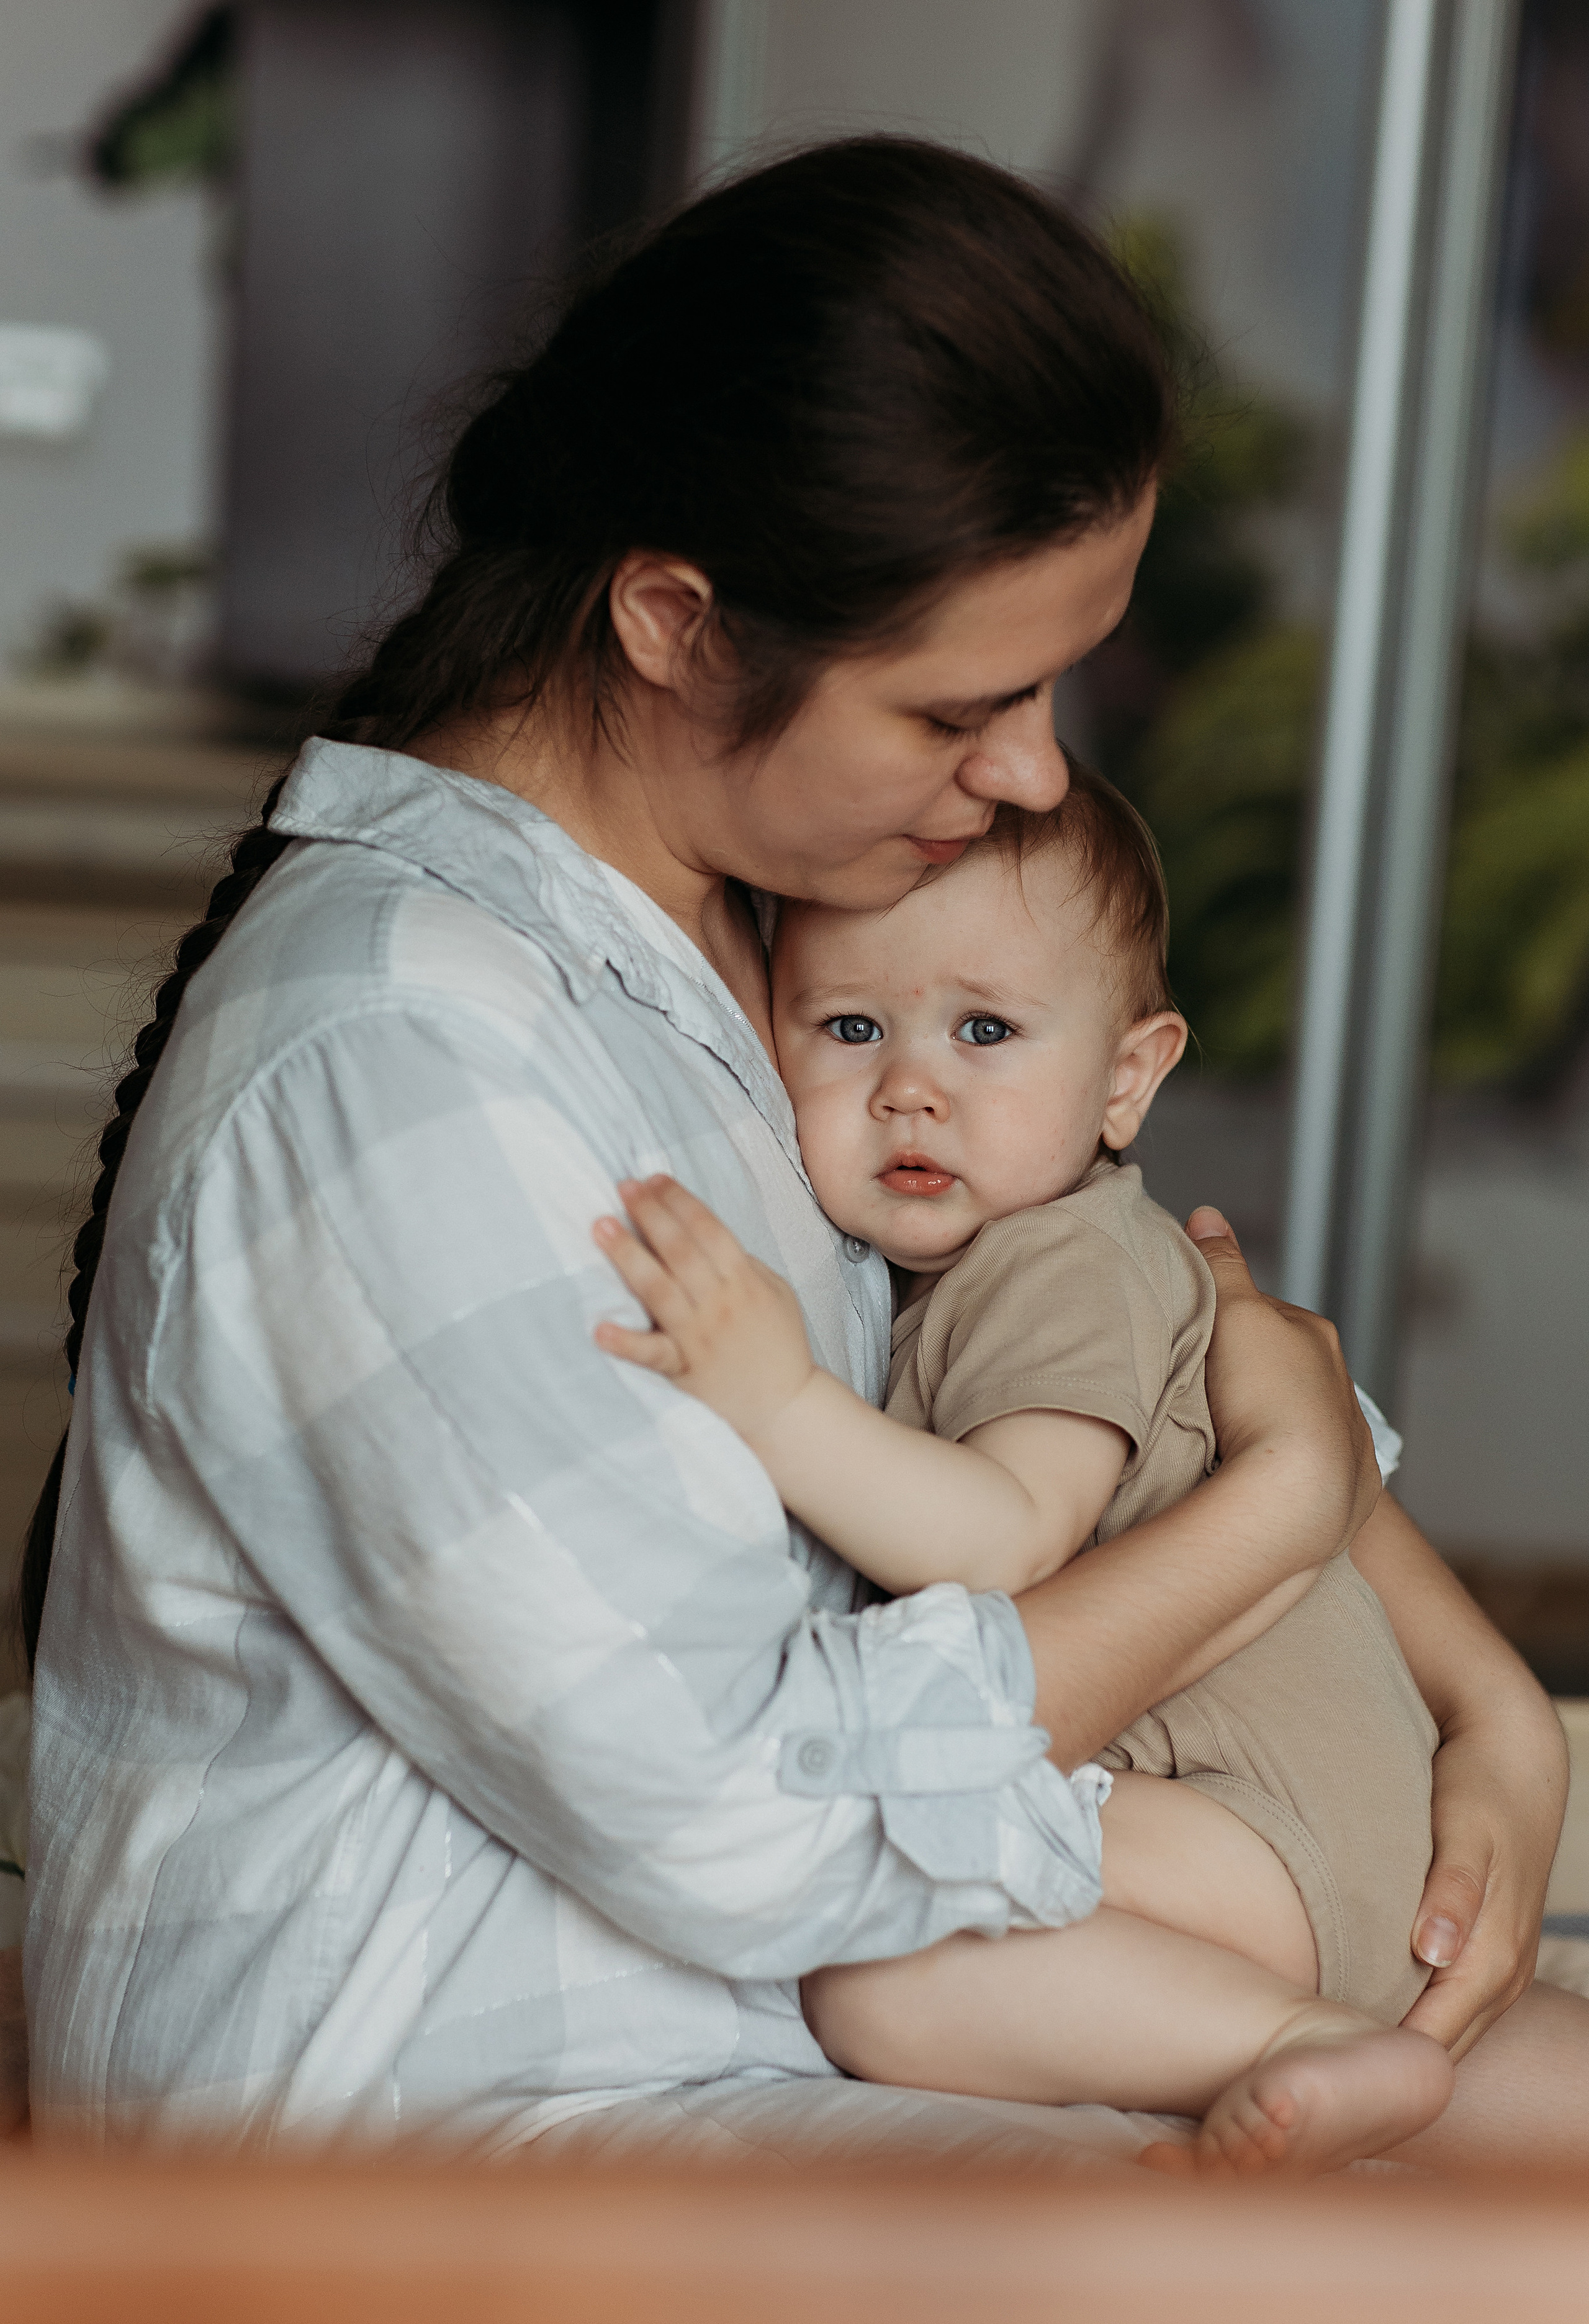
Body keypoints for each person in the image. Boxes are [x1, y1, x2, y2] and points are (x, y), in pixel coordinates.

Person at [15, 140, 1575, 2169]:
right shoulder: (406, 1059)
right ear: (673, 619)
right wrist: (1280, 1513)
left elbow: (1143, 1356)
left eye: (1050, 689)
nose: (1029, 777)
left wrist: (1499, 1716)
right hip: (490, 2103)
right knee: (1367, 2282)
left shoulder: (782, 938)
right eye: (960, 710)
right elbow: (756, 1827)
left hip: (843, 1981)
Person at [591, 772, 1454, 2173]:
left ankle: (1290, 2041)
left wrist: (777, 1401)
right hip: (1304, 1837)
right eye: (850, 1026)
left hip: (1258, 1827)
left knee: (871, 1966)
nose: (910, 1085)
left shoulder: (1060, 1264)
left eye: (983, 1029)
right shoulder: (1010, 1259)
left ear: (1125, 1077)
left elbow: (1004, 1542)